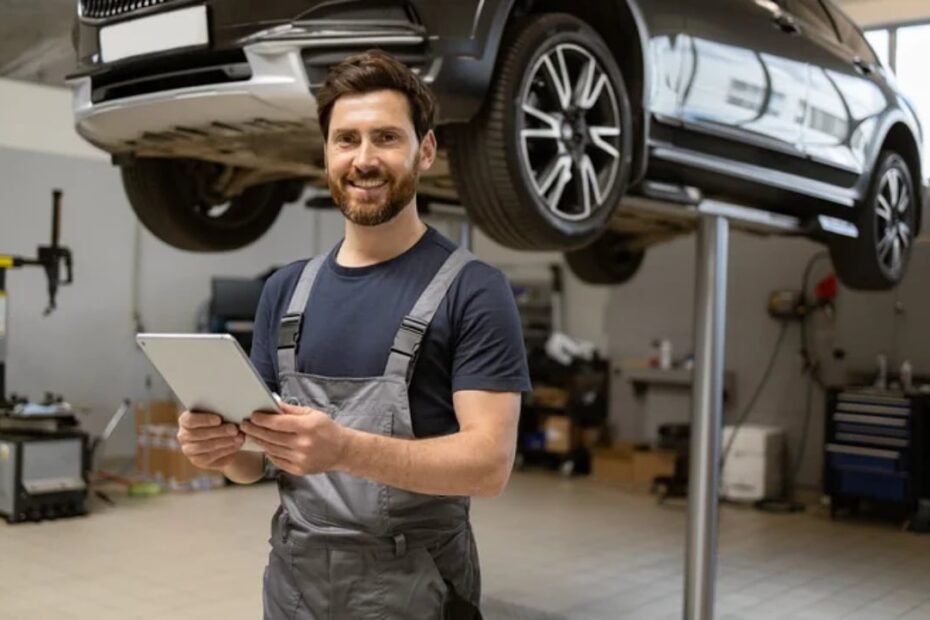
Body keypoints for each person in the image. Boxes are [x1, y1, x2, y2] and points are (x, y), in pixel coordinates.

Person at [175, 49, 531, 619]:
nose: (364, 159)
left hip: (418, 589)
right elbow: (253, 463)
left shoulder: (474, 290)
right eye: (346, 140)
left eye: (386, 138)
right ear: (326, 153)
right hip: (293, 588)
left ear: (426, 151)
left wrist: (344, 449)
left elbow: (489, 465)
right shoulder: (285, 291)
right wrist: (219, 448)